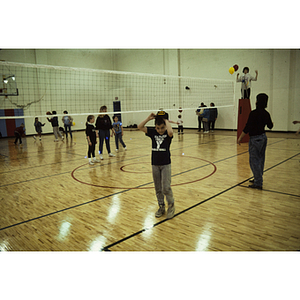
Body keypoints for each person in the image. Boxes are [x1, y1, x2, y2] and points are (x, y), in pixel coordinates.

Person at [138, 113, 175, 219]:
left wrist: (165, 120)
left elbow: (171, 132)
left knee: (166, 188)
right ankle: (161, 206)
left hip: (165, 164)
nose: (160, 130)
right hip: (155, 164)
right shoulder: (153, 132)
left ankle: (171, 206)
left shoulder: (168, 134)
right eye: (158, 128)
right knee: (158, 188)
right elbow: (140, 127)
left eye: (162, 128)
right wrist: (148, 118)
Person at [237, 93, 273, 189]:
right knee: (260, 159)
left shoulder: (253, 113)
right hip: (263, 138)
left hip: (255, 139)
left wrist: (240, 137)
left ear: (257, 102)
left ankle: (258, 182)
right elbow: (270, 126)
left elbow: (247, 127)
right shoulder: (266, 113)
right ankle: (258, 178)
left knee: (254, 161)